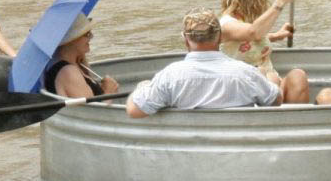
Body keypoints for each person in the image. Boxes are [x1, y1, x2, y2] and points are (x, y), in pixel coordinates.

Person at [127, 11, 308, 116]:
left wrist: (142, 87)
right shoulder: (245, 73)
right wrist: (270, 80)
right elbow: (275, 101)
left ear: (185, 41)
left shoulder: (170, 76)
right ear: (220, 38)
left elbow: (134, 111)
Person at [217, 0, 301, 84]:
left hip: (270, 80)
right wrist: (280, 1)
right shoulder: (226, 24)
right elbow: (253, 33)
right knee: (270, 79)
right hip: (245, 84)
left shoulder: (248, 20)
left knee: (298, 76)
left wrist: (276, 36)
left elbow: (249, 40)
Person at [44, 15, 118, 100]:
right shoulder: (68, 73)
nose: (91, 37)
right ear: (71, 39)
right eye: (87, 34)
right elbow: (90, 111)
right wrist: (108, 92)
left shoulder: (77, 64)